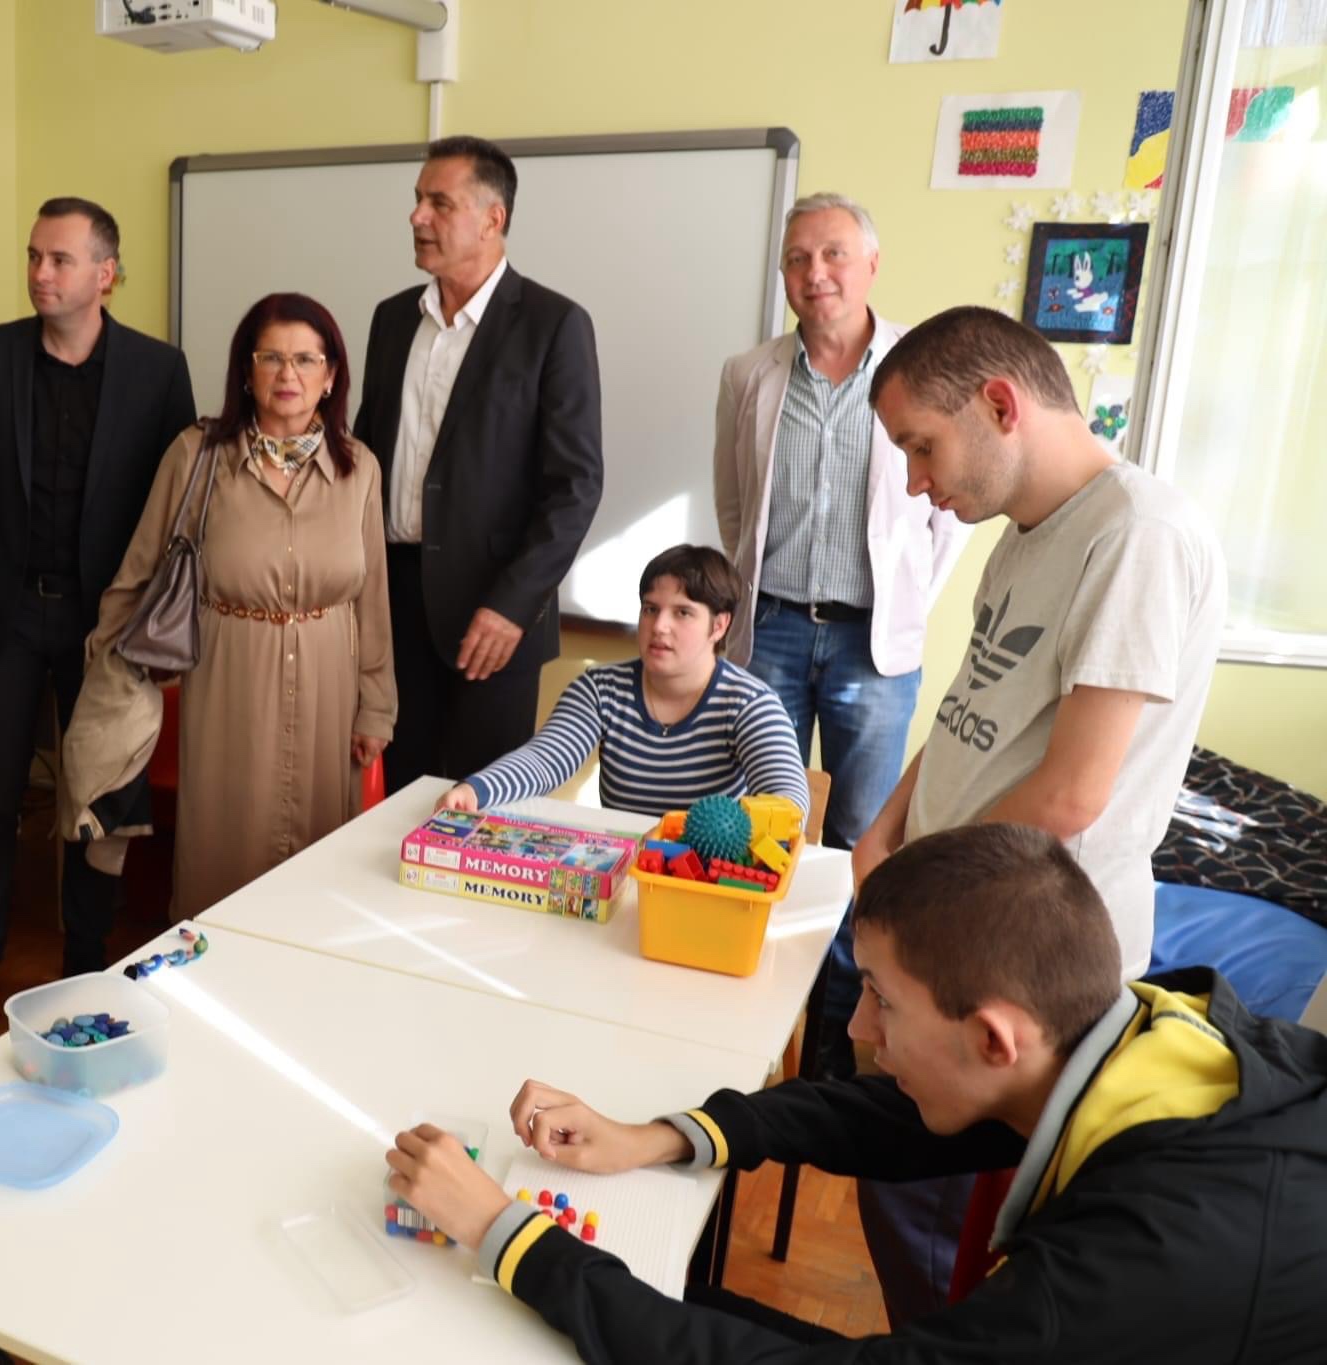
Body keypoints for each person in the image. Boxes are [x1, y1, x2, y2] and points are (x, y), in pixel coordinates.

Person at [384, 824, 1327, 1361]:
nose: (860, 1029)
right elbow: (892, 1115)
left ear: (994, 1036)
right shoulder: (1145, 1035)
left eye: (882, 999)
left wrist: (508, 1236)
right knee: (682, 1295)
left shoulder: (1114, 1277)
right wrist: (662, 1136)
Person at [840, 305, 1229, 1324]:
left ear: (1000, 405)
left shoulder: (1136, 534)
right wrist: (887, 824)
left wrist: (909, 898)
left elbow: (1070, 794)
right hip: (948, 922)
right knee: (900, 1193)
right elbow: (971, 706)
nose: (915, 482)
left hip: (1015, 950)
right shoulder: (1021, 535)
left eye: (921, 446)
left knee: (942, 1236)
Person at [0, 197, 195, 1037]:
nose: (40, 273)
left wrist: (159, 630)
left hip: (106, 627)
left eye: (60, 259)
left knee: (96, 793)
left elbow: (177, 513)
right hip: (2, 612)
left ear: (105, 275)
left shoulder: (158, 370)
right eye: (34, 256)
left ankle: (85, 962)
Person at [92, 292, 393, 916]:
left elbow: (372, 600)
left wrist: (376, 708)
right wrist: (106, 680)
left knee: (319, 860)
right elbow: (138, 573)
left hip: (330, 687)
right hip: (228, 679)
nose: (288, 375)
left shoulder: (359, 467)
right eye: (271, 358)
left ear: (331, 376)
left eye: (306, 360)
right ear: (246, 372)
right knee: (223, 848)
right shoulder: (196, 455)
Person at [712, 193, 966, 851]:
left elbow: (950, 513)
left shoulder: (925, 365)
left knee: (863, 830)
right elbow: (736, 505)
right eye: (797, 259)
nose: (815, 272)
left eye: (834, 254)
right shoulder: (748, 374)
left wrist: (908, 599)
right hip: (771, 633)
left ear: (872, 264)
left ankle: (855, 929)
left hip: (871, 642)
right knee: (763, 823)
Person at [353, 135, 602, 794]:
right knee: (396, 802)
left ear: (494, 218)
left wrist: (512, 606)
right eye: (418, 200)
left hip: (493, 615)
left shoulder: (553, 324)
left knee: (480, 811)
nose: (417, 217)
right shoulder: (391, 320)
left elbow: (575, 487)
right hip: (393, 605)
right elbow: (363, 458)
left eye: (439, 203)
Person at [439, 544, 808, 821]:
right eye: (651, 609)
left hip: (705, 880)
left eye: (682, 613)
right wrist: (475, 790)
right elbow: (546, 759)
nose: (659, 626)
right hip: (620, 872)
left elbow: (788, 800)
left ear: (719, 625)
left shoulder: (750, 703)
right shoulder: (600, 689)